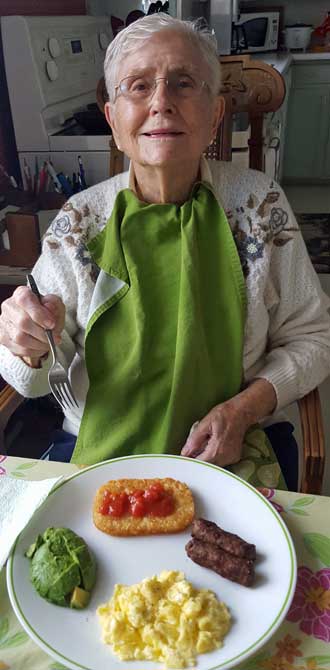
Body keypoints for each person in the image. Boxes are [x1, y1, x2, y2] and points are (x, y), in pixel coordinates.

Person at [0, 14, 329, 490]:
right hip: (101, 451)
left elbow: (315, 338)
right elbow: (32, 381)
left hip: (235, 444)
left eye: (183, 83)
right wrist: (22, 342)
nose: (160, 103)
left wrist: (244, 408)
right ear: (114, 120)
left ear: (215, 114)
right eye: (137, 87)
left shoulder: (261, 205)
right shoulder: (78, 222)